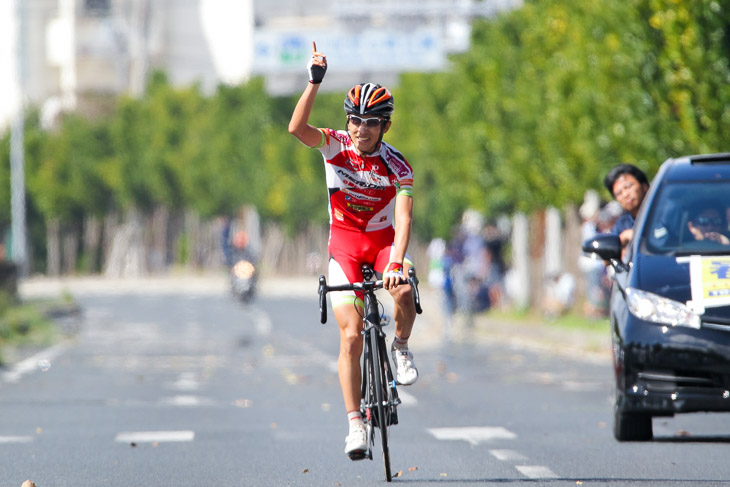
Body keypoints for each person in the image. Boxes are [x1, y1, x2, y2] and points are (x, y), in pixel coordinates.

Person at [288, 42, 419, 460]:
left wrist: (396, 263)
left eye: (372, 123)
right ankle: (355, 424)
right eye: (356, 121)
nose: (362, 129)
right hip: (344, 246)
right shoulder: (334, 144)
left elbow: (404, 221)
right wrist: (313, 82)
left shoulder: (398, 166)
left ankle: (400, 347)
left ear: (385, 127)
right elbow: (296, 129)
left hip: (382, 246)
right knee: (350, 336)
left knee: (403, 292)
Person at [603, 164, 650, 254]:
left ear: (644, 186)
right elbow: (606, 259)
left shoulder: (665, 213)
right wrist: (623, 238)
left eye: (628, 187)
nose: (625, 194)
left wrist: (635, 235)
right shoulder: (623, 223)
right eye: (619, 193)